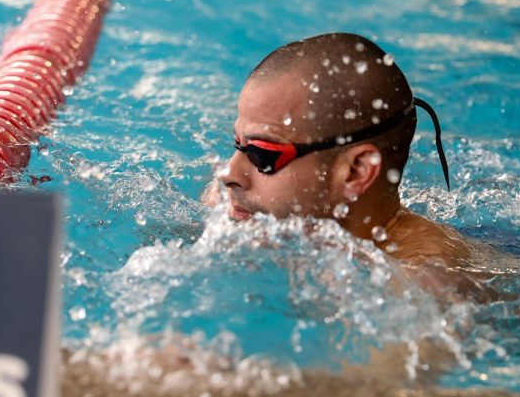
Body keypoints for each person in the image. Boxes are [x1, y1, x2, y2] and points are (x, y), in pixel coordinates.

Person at [206, 32, 498, 301]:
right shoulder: (233, 206)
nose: (229, 174)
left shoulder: (427, 286)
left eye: (263, 155)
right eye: (238, 145)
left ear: (356, 171)